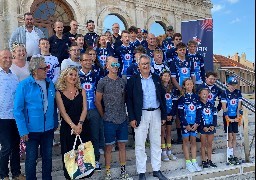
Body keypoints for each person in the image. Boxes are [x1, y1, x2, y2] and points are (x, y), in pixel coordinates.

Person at [14, 56, 58, 180]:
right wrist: (22, 130)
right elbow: (17, 109)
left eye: (47, 67)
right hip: (31, 130)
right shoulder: (24, 85)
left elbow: (53, 105)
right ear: (34, 70)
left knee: (48, 158)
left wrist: (54, 121)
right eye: (44, 68)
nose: (47, 70)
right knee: (31, 159)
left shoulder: (50, 83)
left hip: (48, 129)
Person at [127, 54, 168, 180]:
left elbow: (162, 97)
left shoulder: (156, 78)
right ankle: (141, 172)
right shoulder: (133, 80)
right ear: (139, 66)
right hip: (141, 114)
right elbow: (129, 100)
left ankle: (157, 169)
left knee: (156, 142)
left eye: (147, 64)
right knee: (140, 144)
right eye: (143, 64)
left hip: (156, 112)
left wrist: (164, 115)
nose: (145, 66)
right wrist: (132, 118)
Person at [95, 56, 131, 180]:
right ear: (107, 66)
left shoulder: (122, 81)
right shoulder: (102, 81)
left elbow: (126, 99)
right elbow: (97, 101)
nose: (115, 67)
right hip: (108, 119)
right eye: (113, 65)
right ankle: (108, 171)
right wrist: (103, 115)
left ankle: (123, 171)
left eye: (117, 65)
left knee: (122, 146)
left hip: (122, 119)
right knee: (109, 147)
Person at [55, 67, 92, 179]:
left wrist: (79, 124)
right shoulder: (59, 93)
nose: (73, 77)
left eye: (75, 75)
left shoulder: (82, 91)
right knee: (70, 160)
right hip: (68, 128)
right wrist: (73, 126)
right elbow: (63, 112)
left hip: (82, 127)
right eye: (71, 74)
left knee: (83, 159)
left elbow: (85, 109)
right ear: (65, 76)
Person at [0, 49, 25, 180]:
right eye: (5, 57)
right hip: (2, 117)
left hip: (15, 117)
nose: (8, 60)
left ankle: (16, 173)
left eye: (10, 57)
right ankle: (3, 174)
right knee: (6, 146)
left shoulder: (14, 76)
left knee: (16, 146)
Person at [79, 53, 104, 171]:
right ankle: (83, 161)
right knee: (82, 136)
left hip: (93, 109)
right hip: (80, 111)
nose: (88, 62)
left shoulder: (96, 75)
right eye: (85, 60)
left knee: (95, 135)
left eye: (90, 60)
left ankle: (96, 160)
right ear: (81, 62)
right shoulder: (76, 75)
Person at [170, 42, 195, 144]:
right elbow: (173, 78)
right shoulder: (174, 62)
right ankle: (180, 135)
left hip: (189, 89)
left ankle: (192, 132)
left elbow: (193, 75)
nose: (182, 51)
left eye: (184, 49)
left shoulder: (190, 61)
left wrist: (192, 87)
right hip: (178, 90)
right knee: (179, 112)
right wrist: (181, 89)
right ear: (177, 51)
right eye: (180, 50)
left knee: (189, 110)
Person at [177, 78, 202, 173]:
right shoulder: (182, 98)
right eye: (187, 84)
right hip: (185, 125)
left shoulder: (196, 97)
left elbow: (199, 111)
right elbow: (180, 114)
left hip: (194, 124)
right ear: (184, 86)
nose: (189, 86)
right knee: (186, 142)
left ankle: (194, 161)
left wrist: (197, 124)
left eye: (191, 84)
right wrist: (185, 124)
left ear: (193, 85)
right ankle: (188, 162)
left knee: (194, 142)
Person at [221, 76, 243, 165]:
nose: (233, 87)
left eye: (234, 85)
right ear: (227, 85)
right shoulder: (224, 93)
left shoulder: (238, 92)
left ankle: (234, 155)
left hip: (235, 116)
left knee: (234, 136)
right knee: (229, 137)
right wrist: (227, 117)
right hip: (228, 117)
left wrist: (238, 117)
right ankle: (229, 156)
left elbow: (239, 105)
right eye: (231, 85)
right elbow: (224, 107)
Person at [160, 69, 178, 162]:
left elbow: (175, 103)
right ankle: (163, 152)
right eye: (165, 76)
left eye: (168, 76)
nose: (167, 77)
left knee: (169, 133)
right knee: (162, 133)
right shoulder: (159, 87)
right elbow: (159, 103)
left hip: (170, 114)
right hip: (162, 114)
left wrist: (171, 114)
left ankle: (169, 151)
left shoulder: (173, 89)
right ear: (161, 77)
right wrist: (165, 114)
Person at [197, 88, 217, 168]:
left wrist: (213, 125)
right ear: (199, 95)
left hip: (211, 127)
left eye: (206, 94)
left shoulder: (211, 105)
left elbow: (215, 116)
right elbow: (198, 117)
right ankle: (204, 161)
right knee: (203, 144)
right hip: (203, 128)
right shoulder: (198, 105)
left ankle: (209, 160)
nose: (205, 95)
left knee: (209, 144)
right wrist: (202, 127)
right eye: (203, 94)